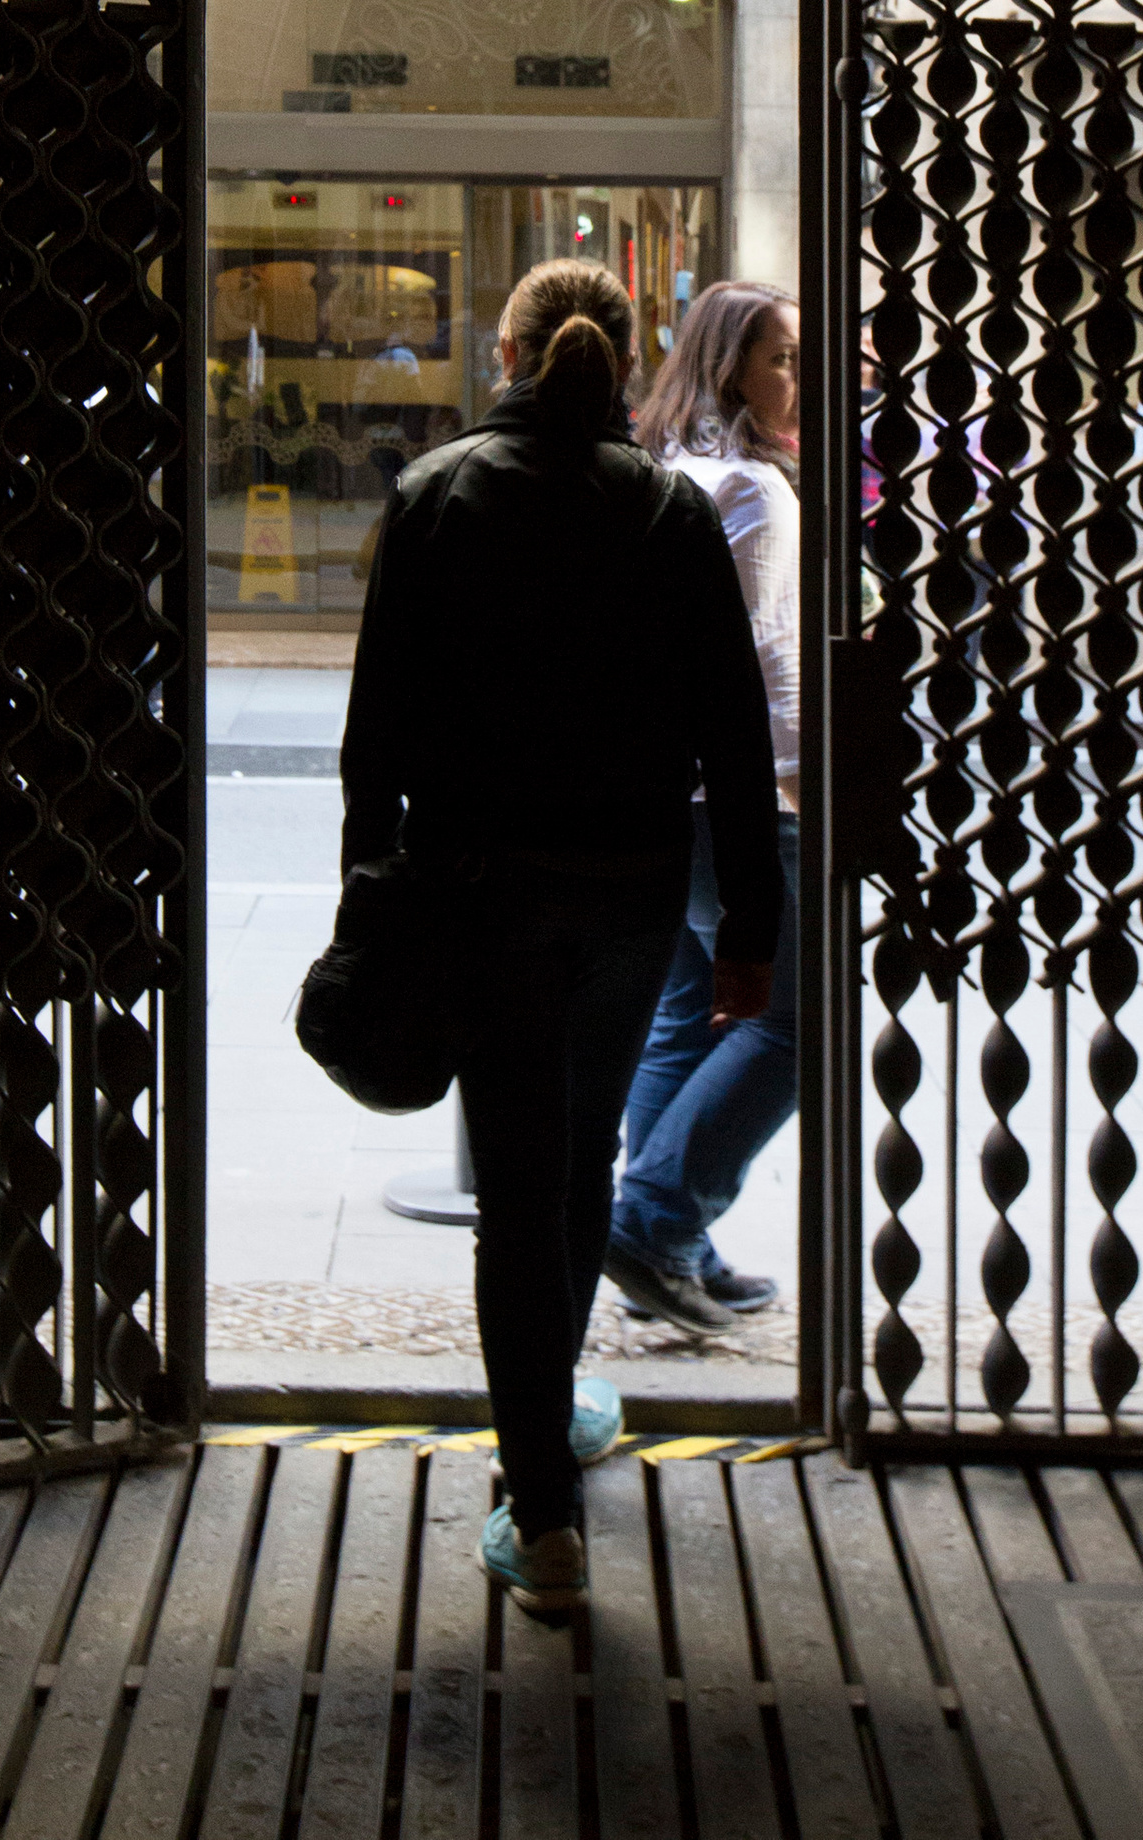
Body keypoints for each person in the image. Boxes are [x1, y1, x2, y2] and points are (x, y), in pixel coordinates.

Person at [339, 257, 782, 1620]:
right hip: (632, 893)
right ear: (613, 352)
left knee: (518, 1193)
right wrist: (751, 927)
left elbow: (376, 747)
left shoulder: (437, 497)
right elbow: (731, 739)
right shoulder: (666, 512)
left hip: (485, 892)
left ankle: (542, 1512)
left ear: (513, 349)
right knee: (577, 1165)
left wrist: (373, 903)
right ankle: (556, 1424)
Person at [606, 281, 802, 1333]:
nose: (799, 379)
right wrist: (800, 781)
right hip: (738, 798)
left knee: (684, 1018)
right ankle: (656, 1220)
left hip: (659, 796)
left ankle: (663, 1252)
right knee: (794, 1026)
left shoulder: (666, 472)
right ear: (731, 367)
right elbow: (763, 659)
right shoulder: (754, 492)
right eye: (781, 358)